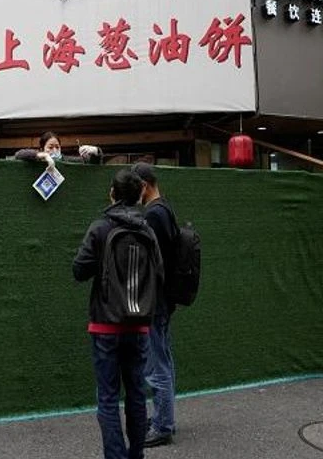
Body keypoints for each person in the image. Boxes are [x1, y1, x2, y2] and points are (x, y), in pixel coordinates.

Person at [73, 169, 163, 459]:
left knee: (108, 399)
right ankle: (136, 455)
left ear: (112, 193)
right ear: (139, 195)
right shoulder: (147, 230)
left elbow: (79, 269)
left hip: (105, 326)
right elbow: (159, 273)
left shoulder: (100, 228)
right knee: (136, 395)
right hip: (139, 327)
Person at [131, 162, 178, 447]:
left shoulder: (154, 215)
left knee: (156, 363)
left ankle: (163, 425)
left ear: (144, 185)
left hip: (156, 298)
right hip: (166, 296)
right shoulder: (166, 209)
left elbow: (151, 261)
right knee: (164, 359)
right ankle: (164, 417)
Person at [14, 131, 103, 166]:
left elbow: (92, 163)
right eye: (50, 147)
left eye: (57, 147)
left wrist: (95, 151)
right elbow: (18, 154)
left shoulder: (67, 160)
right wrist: (44, 156)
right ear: (42, 148)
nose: (55, 150)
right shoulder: (38, 159)